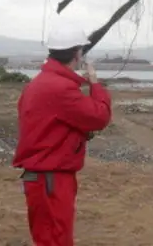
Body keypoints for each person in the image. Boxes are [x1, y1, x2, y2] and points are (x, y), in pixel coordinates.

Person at [13, 25, 113, 246]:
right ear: (77, 54)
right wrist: (95, 83)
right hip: (51, 176)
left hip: (44, 175)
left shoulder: (40, 83)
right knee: (56, 238)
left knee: (49, 235)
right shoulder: (59, 88)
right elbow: (100, 117)